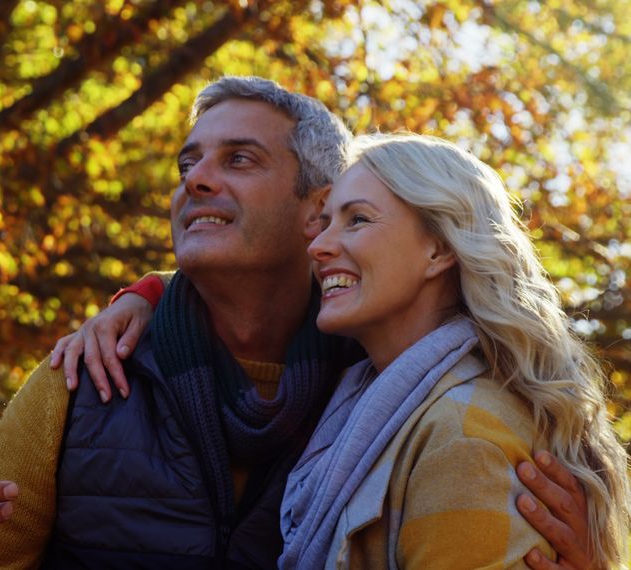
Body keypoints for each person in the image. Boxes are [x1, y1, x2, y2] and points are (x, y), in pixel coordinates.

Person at [0, 77, 596, 569]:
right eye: (189, 162)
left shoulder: (384, 381)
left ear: (317, 211)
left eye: (238, 159)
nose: (195, 179)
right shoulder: (89, 375)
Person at [60, 134, 631, 567]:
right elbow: (244, 279)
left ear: (438, 250)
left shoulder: (462, 435)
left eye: (357, 220)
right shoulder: (367, 396)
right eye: (326, 221)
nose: (321, 245)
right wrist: (148, 296)